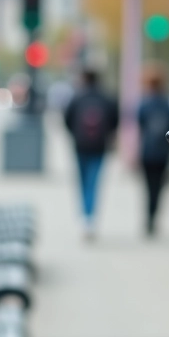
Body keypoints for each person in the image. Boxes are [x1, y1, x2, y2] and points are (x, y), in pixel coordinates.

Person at [63, 69, 119, 240]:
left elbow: (66, 119)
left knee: (82, 180)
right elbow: (115, 121)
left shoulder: (76, 97)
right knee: (94, 181)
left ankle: (85, 217)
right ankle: (91, 217)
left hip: (80, 145)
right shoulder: (107, 98)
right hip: (99, 146)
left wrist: (75, 135)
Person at [137, 65, 169, 237]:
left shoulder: (144, 104)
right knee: (159, 187)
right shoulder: (167, 105)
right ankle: (154, 216)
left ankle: (148, 217)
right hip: (163, 153)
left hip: (147, 152)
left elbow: (140, 125)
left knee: (148, 186)